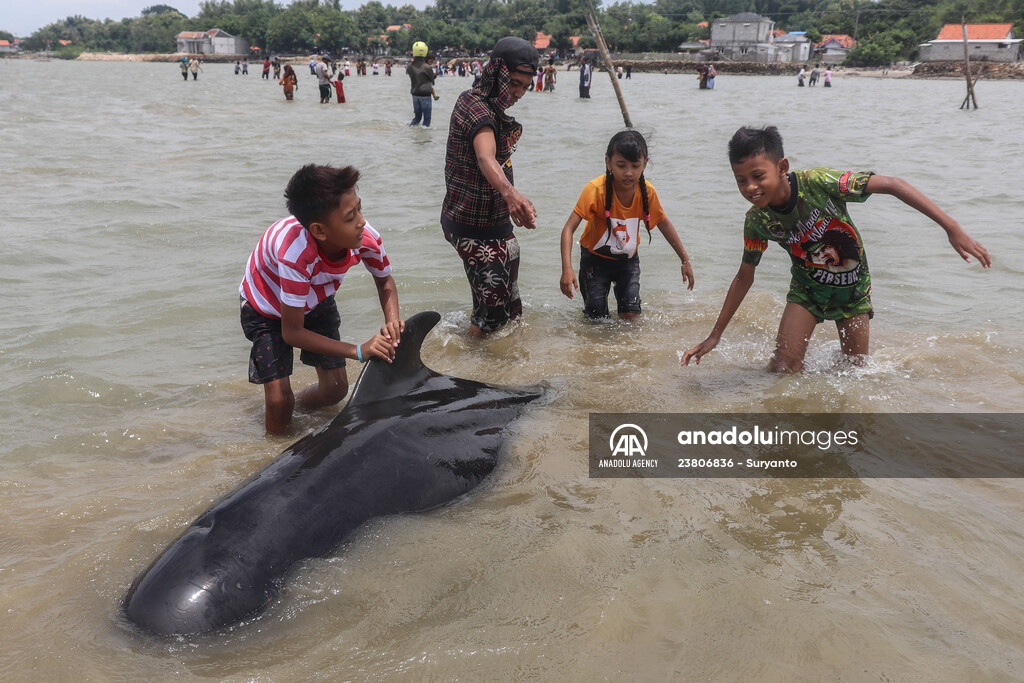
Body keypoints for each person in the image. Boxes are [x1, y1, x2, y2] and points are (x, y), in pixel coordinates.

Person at [681, 126, 990, 372]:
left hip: (852, 291)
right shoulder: (758, 221)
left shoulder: (820, 182)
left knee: (856, 374)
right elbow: (744, 276)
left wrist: (951, 227)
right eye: (740, 180)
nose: (750, 187)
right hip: (807, 291)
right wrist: (715, 335)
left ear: (781, 167)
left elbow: (893, 184)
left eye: (758, 176)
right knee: (782, 369)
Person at [239, 164, 404, 434]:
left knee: (336, 390)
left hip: (314, 297)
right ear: (320, 231)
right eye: (350, 217)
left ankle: (300, 408)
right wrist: (358, 351)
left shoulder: (366, 237)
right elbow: (292, 333)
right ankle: (276, 453)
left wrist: (393, 322)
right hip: (266, 308)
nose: (362, 221)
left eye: (359, 209)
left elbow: (384, 281)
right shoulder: (295, 254)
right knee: (280, 401)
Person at [441, 36, 539, 337]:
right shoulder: (476, 107)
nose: (519, 93)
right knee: (493, 318)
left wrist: (511, 201)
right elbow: (485, 156)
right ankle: (471, 373)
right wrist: (511, 195)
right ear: (497, 73)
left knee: (510, 311)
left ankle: (496, 371)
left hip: (497, 225)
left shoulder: (494, 108)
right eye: (514, 84)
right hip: (471, 225)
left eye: (525, 86)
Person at [559, 130, 694, 320]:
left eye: (635, 166)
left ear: (645, 164)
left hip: (627, 261)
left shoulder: (647, 192)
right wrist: (567, 269)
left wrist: (685, 260)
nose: (629, 173)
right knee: (596, 320)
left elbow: (664, 224)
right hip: (594, 261)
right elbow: (568, 229)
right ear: (609, 163)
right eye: (621, 165)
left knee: (631, 316)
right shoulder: (595, 190)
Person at [406, 42, 436, 126]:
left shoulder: (410, 66)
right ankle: (424, 137)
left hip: (415, 94)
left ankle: (411, 129)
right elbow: (432, 80)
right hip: (425, 95)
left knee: (417, 118)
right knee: (427, 119)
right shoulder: (427, 67)